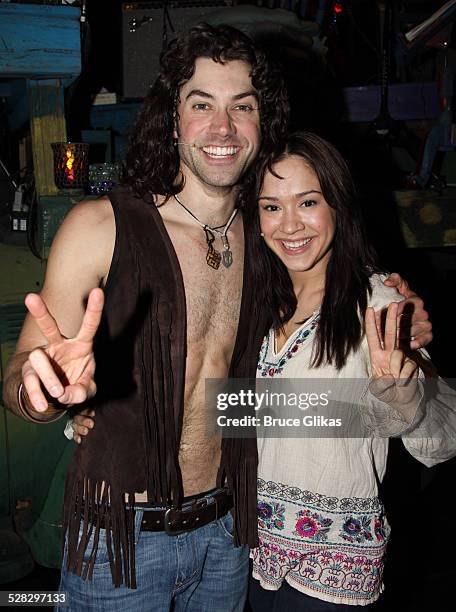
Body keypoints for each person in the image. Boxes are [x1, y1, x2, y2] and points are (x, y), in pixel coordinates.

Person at [3, 24, 430, 612]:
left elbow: (262, 377)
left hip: (231, 540)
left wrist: (391, 312)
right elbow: (23, 372)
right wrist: (44, 392)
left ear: (264, 122)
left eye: (242, 107)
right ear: (172, 118)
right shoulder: (101, 227)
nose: (222, 128)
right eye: (201, 104)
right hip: (119, 540)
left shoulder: (270, 240)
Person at [240, 132, 456, 609]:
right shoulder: (252, 304)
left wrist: (404, 399)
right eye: (271, 207)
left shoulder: (377, 304)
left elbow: (445, 441)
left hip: (332, 570)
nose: (290, 225)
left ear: (338, 205)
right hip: (249, 558)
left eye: (308, 202)